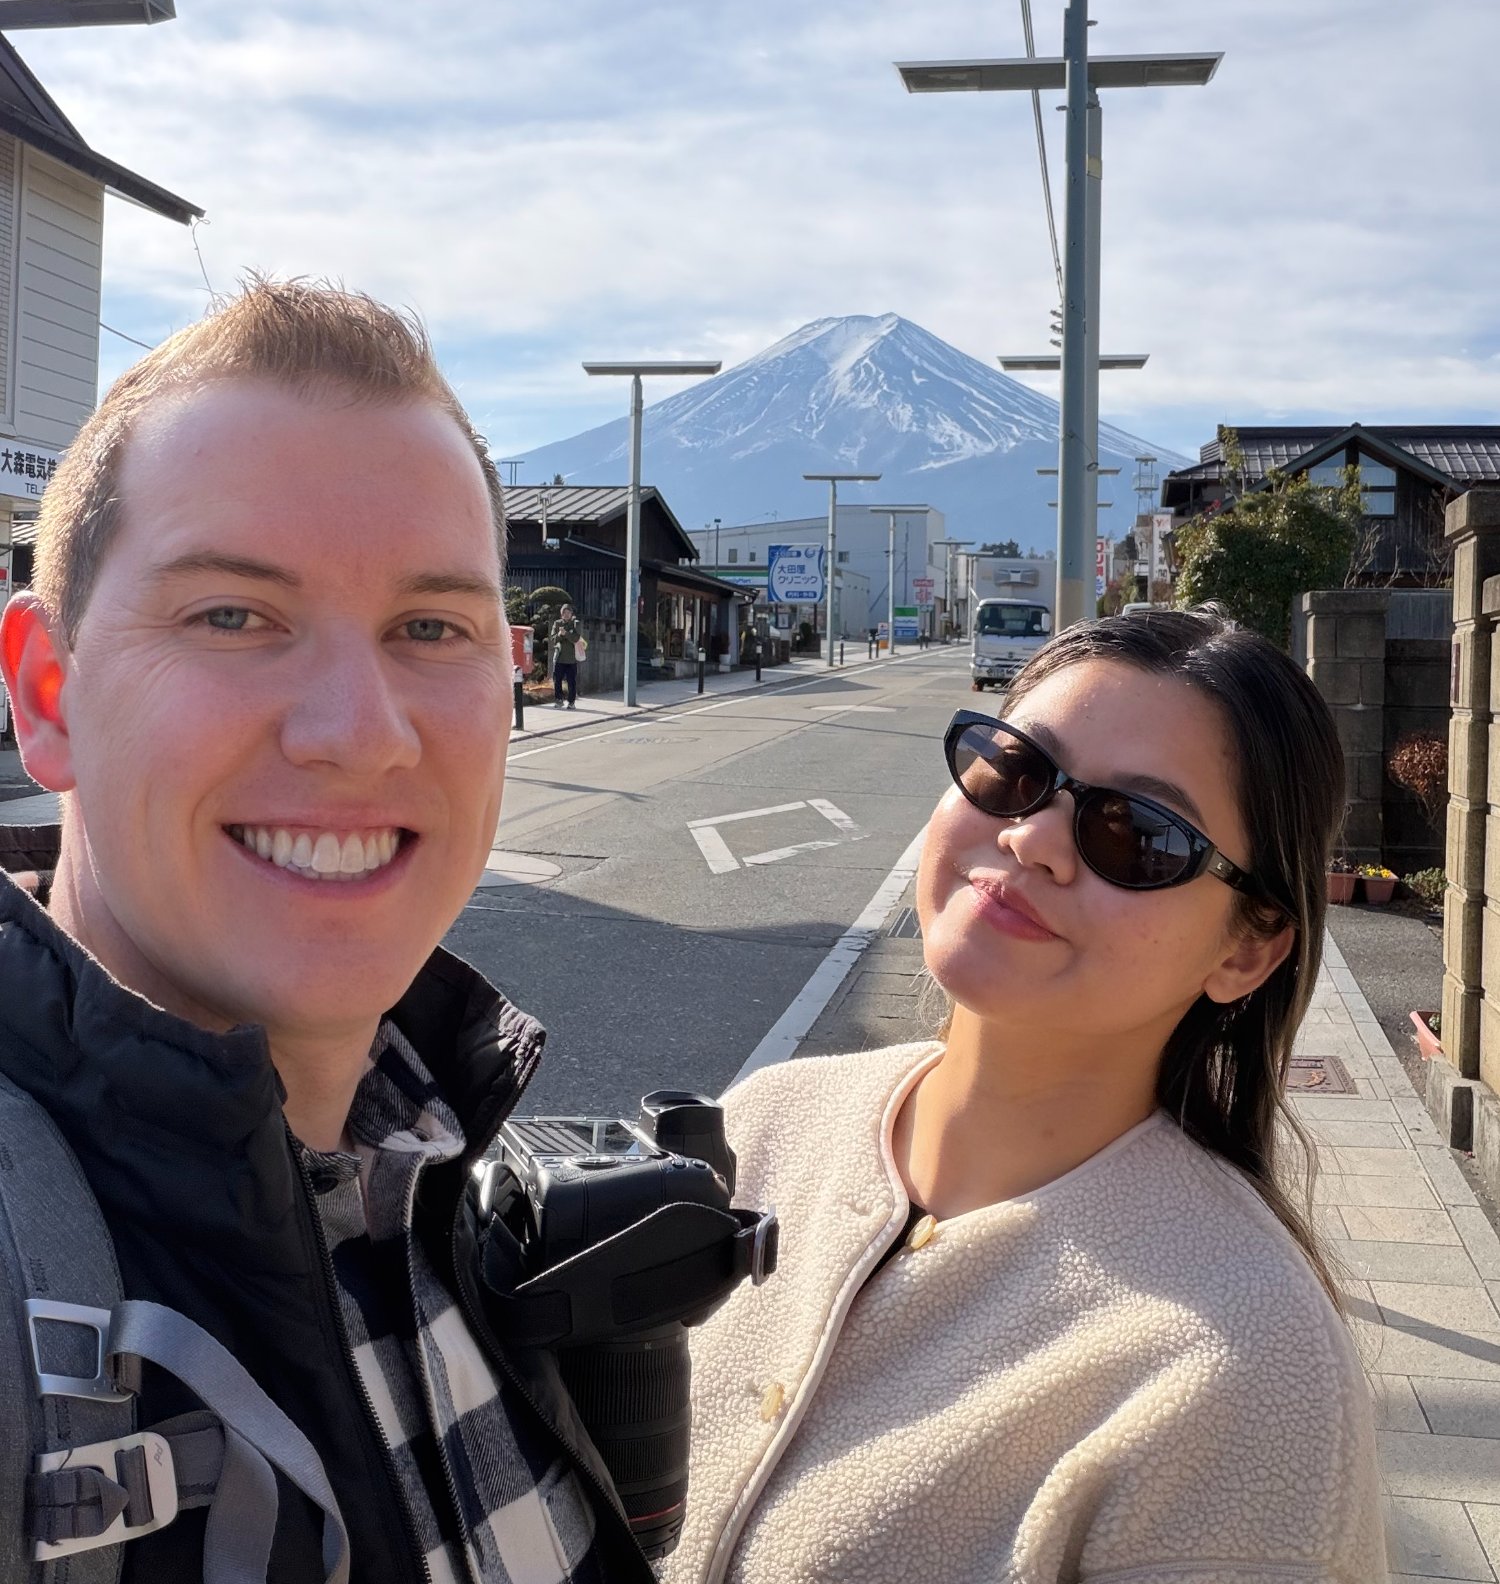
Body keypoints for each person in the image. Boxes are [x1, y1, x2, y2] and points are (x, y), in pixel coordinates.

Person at [0, 279, 655, 1583]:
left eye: (431, 628)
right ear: (49, 697)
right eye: (233, 617)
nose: (361, 732)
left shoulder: (446, 1200)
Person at [664, 608, 1387, 1584]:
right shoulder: (764, 1121)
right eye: (1015, 770)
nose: (1034, 837)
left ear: (1246, 946)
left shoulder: (1244, 1369)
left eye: (1138, 834)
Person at [551, 605, 582, 708]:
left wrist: (566, 634)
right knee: (557, 680)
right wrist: (560, 634)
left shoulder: (575, 624)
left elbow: (576, 638)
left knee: (571, 682)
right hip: (560, 658)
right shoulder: (557, 623)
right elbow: (553, 639)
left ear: (571, 614)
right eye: (564, 613)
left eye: (568, 613)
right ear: (561, 614)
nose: (566, 615)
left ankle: (571, 702)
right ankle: (559, 700)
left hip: (572, 659)